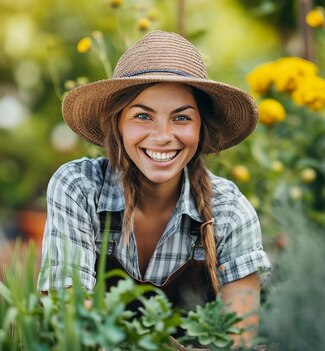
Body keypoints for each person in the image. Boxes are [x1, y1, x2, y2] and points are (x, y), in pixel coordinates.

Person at [38, 30, 271, 346]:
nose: (163, 135)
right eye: (143, 116)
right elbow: (69, 317)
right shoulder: (80, 189)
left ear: (201, 127)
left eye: (181, 118)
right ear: (117, 123)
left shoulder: (229, 212)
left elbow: (240, 338)